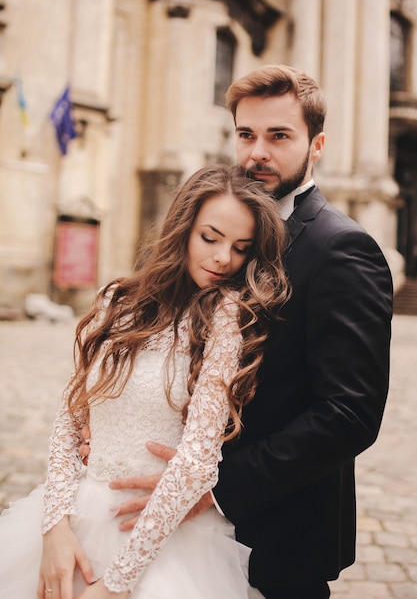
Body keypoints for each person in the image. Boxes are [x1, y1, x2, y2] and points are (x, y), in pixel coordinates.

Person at [86, 65, 393, 599]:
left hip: (274, 532)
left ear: (316, 144)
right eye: (246, 134)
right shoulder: (219, 224)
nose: (257, 153)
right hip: (162, 528)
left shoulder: (342, 249)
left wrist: (215, 490)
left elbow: (350, 414)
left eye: (279, 136)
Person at [0, 164, 291, 599]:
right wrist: (54, 526)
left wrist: (115, 585)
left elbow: (195, 461)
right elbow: (70, 416)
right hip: (77, 515)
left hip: (162, 542)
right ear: (182, 229)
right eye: (210, 238)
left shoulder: (226, 319)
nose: (223, 258)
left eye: (240, 248)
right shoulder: (116, 301)